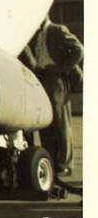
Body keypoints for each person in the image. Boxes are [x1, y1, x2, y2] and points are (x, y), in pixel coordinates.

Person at [22, 16, 83, 176]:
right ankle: (51, 159)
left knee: (60, 120)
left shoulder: (57, 30)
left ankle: (64, 163)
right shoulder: (36, 35)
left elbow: (78, 50)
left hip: (55, 78)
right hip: (42, 76)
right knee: (46, 121)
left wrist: (62, 68)